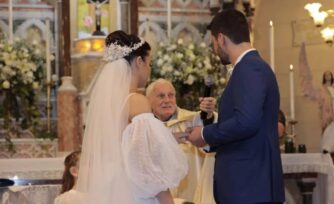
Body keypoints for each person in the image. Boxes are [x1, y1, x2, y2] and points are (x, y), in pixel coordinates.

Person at [77, 30, 188, 204]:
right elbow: (147, 164)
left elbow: (125, 146)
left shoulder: (111, 103)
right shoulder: (136, 101)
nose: (149, 69)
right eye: (149, 63)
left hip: (115, 190)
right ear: (139, 62)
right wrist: (167, 200)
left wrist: (167, 138)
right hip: (137, 195)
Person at [186, 9, 285, 204]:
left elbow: (247, 122)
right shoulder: (249, 67)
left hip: (249, 186)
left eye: (213, 42)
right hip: (249, 185)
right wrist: (206, 138)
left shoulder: (250, 68)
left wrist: (205, 134)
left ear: (221, 39)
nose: (214, 48)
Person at [146, 78, 217, 203]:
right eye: (161, 96)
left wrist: (209, 115)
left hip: (190, 196)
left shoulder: (190, 120)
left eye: (171, 95)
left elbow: (208, 131)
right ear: (148, 100)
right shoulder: (143, 127)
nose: (167, 100)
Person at [299, 43, 334, 153]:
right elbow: (314, 94)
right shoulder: (322, 90)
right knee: (327, 138)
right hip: (328, 118)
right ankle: (326, 151)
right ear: (324, 77)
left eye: (330, 74)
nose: (328, 76)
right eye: (326, 75)